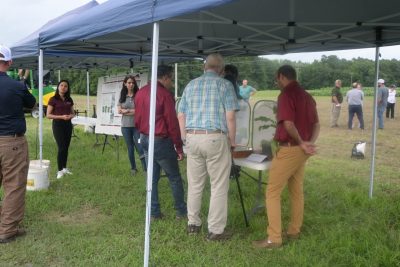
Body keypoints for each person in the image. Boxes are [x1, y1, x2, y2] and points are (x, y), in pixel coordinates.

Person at [253, 65, 319, 249]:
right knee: (296, 190)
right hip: (301, 150)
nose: (277, 83)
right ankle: (294, 231)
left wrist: (301, 143)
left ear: (282, 76)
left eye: (277, 80)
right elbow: (317, 125)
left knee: (272, 192)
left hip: (290, 148)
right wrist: (308, 143)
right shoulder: (306, 96)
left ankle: (274, 238)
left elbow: (288, 124)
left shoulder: (286, 95)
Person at [178, 53, 239, 241]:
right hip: (215, 137)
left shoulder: (190, 85)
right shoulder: (225, 85)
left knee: (195, 184)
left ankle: (193, 224)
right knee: (219, 185)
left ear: (204, 67)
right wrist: (232, 141)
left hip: (192, 137)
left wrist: (184, 138)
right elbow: (230, 117)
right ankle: (215, 230)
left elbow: (181, 115)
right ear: (221, 69)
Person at [135, 65, 187, 220]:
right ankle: (181, 211)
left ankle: (154, 212)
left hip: (144, 137)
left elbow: (137, 118)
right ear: (165, 77)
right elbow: (172, 123)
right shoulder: (164, 94)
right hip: (161, 140)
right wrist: (178, 147)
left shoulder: (141, 92)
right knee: (174, 177)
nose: (172, 82)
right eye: (171, 78)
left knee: (152, 177)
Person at [0, 44, 36, 243]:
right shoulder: (16, 85)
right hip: (10, 142)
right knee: (13, 186)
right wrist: (22, 81)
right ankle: (7, 229)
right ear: (10, 62)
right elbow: (32, 104)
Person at [117, 75, 146, 176]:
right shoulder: (122, 96)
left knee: (140, 146)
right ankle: (133, 168)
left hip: (136, 126)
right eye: (129, 83)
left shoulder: (138, 95)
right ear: (125, 84)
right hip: (125, 127)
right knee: (130, 148)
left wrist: (127, 110)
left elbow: (139, 111)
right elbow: (119, 110)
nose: (131, 84)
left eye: (133, 83)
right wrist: (131, 111)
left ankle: (145, 169)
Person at [46, 80, 75, 179]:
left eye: (65, 86)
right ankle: (59, 170)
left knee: (66, 147)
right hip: (58, 125)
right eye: (61, 85)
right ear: (58, 87)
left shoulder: (69, 99)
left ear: (67, 88)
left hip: (68, 125)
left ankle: (64, 168)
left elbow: (73, 113)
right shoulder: (53, 99)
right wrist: (62, 117)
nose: (63, 87)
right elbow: (48, 115)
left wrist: (70, 116)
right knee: (61, 147)